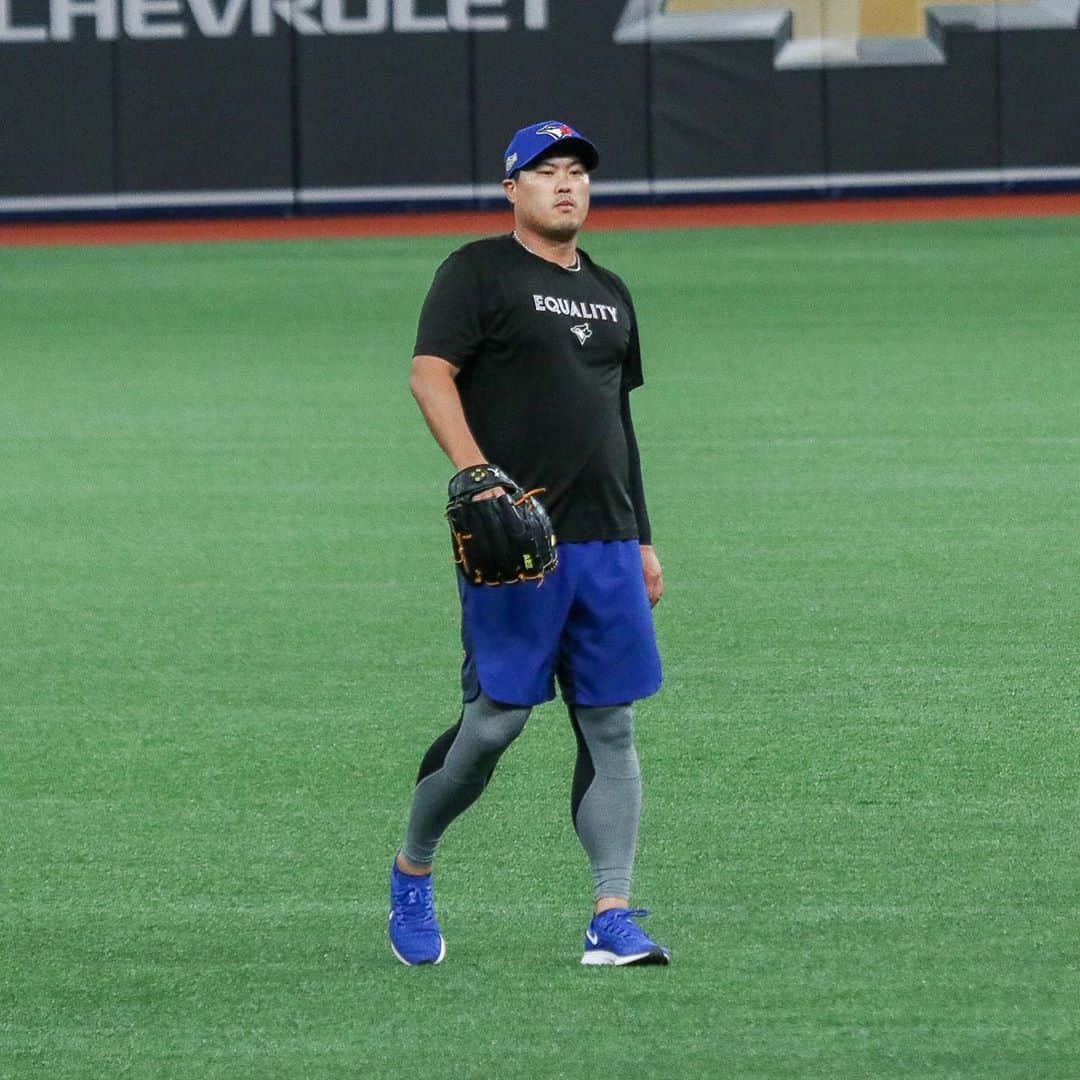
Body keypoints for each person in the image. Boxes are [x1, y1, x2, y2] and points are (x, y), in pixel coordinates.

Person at [389, 120, 669, 967]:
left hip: (609, 541)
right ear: (511, 188)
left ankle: (610, 913)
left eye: (577, 171)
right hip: (521, 539)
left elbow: (616, 418)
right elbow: (428, 372)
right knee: (494, 726)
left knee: (611, 726)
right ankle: (413, 868)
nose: (565, 184)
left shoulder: (613, 291)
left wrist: (645, 539)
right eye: (545, 171)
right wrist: (478, 474)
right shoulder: (477, 271)